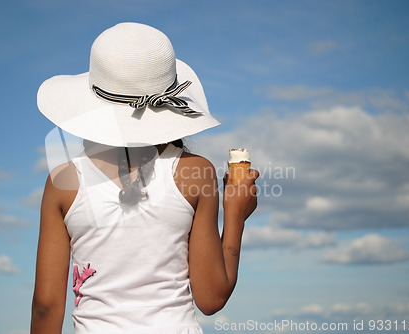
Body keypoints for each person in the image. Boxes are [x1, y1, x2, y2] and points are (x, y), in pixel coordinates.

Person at [31, 22, 259, 334]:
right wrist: (236, 214)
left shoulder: (63, 181)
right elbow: (211, 298)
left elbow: (46, 306)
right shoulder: (196, 172)